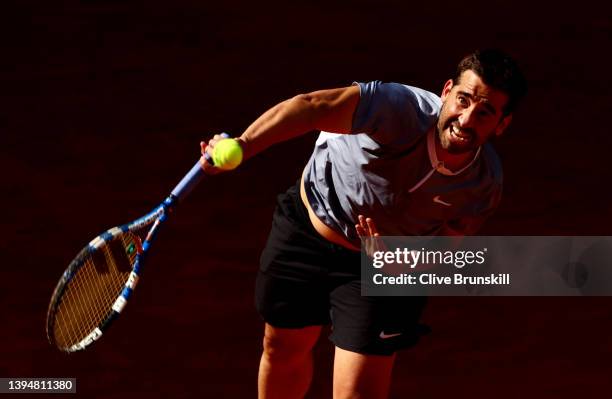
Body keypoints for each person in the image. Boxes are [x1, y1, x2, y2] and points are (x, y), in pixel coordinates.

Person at [200, 49, 527, 399]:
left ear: (502, 124)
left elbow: (450, 242)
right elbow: (311, 106)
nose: (466, 119)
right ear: (447, 91)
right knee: (282, 349)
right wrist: (244, 145)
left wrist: (405, 264)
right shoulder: (397, 109)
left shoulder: (483, 183)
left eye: (485, 112)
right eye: (463, 100)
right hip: (306, 235)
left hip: (382, 272)